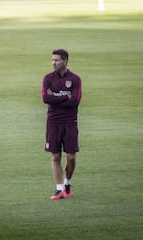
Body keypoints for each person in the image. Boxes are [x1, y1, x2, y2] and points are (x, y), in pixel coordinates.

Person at [42, 49, 82, 200]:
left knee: (71, 157)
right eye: (52, 60)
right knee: (55, 156)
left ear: (65, 61)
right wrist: (66, 97)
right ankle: (59, 190)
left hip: (70, 122)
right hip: (53, 122)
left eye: (57, 60)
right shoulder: (47, 78)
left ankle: (68, 183)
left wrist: (56, 97)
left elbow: (75, 101)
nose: (54, 63)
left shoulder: (75, 79)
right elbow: (46, 98)